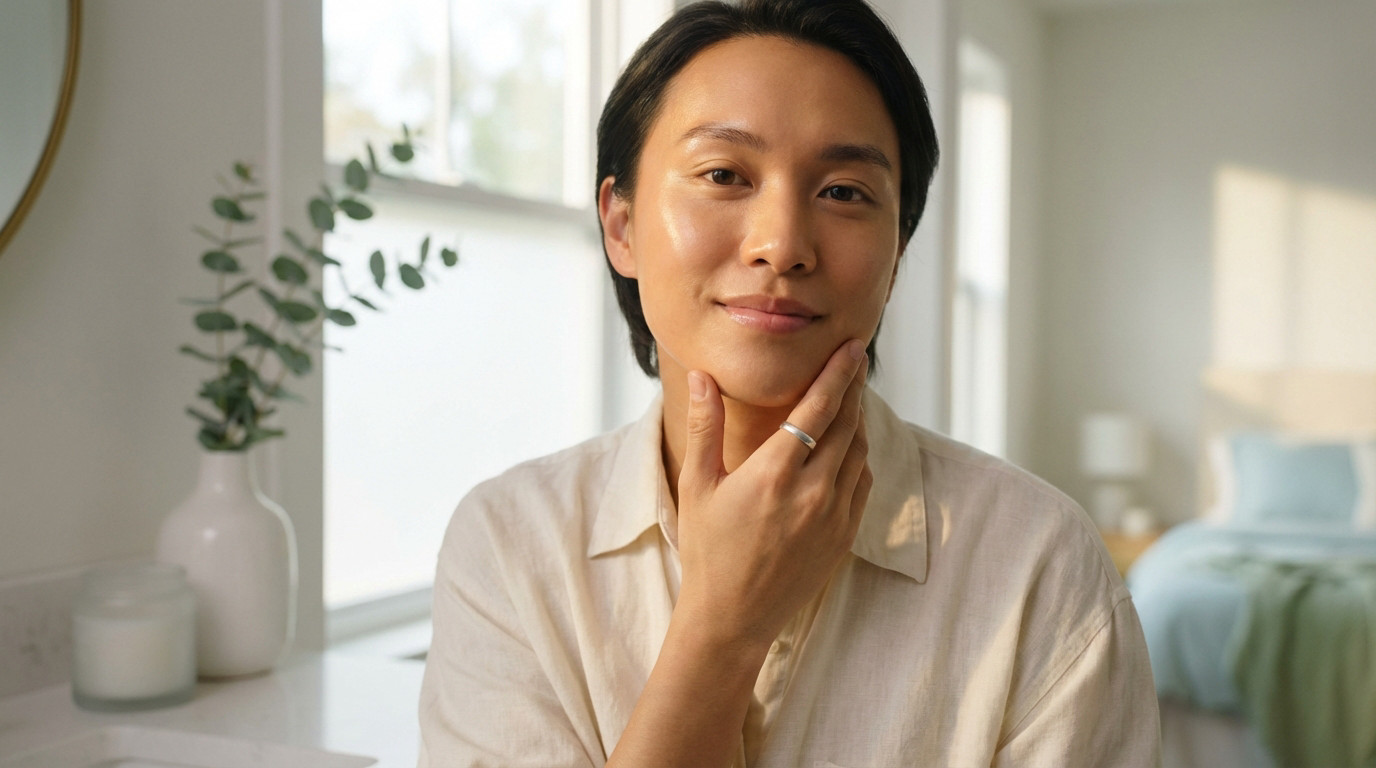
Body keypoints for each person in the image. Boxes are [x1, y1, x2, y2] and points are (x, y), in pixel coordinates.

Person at [419, 0, 1161, 765]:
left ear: (898, 252)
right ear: (622, 225)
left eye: (844, 192)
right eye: (723, 174)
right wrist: (721, 629)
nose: (782, 245)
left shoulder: (1039, 563)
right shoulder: (511, 546)